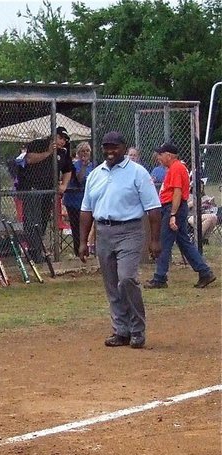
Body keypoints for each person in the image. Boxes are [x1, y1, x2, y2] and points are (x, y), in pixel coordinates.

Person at [79, 131, 162, 349]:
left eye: (114, 147)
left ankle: (137, 330)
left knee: (126, 279)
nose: (110, 151)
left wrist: (155, 240)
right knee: (111, 284)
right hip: (103, 232)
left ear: (124, 148)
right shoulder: (95, 174)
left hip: (130, 231)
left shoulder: (138, 173)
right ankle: (120, 330)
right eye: (106, 147)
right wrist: (82, 242)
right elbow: (86, 210)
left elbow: (153, 208)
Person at [143, 142, 216, 289]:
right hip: (173, 208)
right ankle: (205, 272)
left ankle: (160, 278)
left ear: (169, 155)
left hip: (173, 208)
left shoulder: (177, 168)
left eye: (161, 154)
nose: (158, 157)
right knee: (183, 242)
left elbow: (177, 193)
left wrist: (172, 214)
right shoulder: (174, 168)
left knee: (164, 243)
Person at [16, 126, 73, 261]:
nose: (62, 142)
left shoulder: (63, 153)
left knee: (43, 220)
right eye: (60, 138)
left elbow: (68, 169)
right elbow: (29, 159)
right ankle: (33, 250)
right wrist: (48, 153)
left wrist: (64, 185)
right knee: (31, 220)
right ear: (53, 136)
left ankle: (38, 249)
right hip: (32, 189)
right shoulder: (38, 144)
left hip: (49, 191)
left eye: (64, 140)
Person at [63, 141, 94, 256]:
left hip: (87, 202)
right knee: (77, 227)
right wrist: (84, 166)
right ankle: (78, 252)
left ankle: (89, 249)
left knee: (89, 227)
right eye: (82, 151)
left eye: (87, 151)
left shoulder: (94, 165)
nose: (85, 153)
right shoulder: (75, 165)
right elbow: (79, 179)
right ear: (78, 153)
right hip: (74, 202)